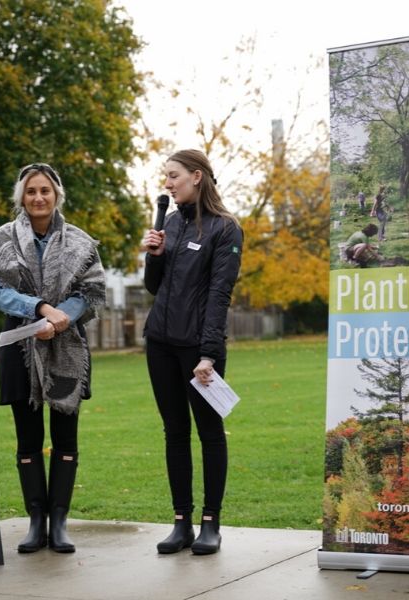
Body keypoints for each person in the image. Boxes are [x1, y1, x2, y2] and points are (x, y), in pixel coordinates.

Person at [0, 163, 106, 554]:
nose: (38, 197)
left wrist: (63, 317)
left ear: (57, 194)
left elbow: (91, 291)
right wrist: (42, 309)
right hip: (20, 346)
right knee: (28, 437)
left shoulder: (81, 242)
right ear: (21, 197)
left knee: (65, 437)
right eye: (31, 191)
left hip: (67, 346)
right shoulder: (3, 239)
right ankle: (36, 522)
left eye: (45, 190)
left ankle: (59, 522)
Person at [140, 149, 242, 556]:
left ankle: (210, 524)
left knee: (210, 433)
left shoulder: (225, 229)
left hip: (199, 351)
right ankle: (181, 522)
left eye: (173, 176)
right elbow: (154, 287)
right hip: (160, 343)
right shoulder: (169, 223)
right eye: (166, 177)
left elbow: (220, 295)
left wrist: (209, 355)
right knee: (174, 432)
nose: (167, 183)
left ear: (197, 177)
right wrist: (154, 255)